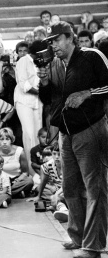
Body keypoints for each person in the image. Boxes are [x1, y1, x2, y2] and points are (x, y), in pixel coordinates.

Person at [38, 21, 108, 258]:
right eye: (51, 42)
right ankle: (76, 236)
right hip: (66, 134)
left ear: (71, 38)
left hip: (90, 128)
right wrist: (45, 81)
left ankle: (94, 246)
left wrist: (87, 93)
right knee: (70, 188)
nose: (53, 45)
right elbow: (49, 99)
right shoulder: (56, 64)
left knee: (95, 188)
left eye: (57, 40)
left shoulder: (92, 56)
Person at [14, 40, 46, 172]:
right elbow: (23, 84)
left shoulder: (41, 61)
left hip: (37, 101)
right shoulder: (23, 61)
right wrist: (42, 92)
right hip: (24, 100)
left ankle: (41, 170)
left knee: (38, 134)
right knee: (29, 134)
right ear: (38, 52)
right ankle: (31, 172)